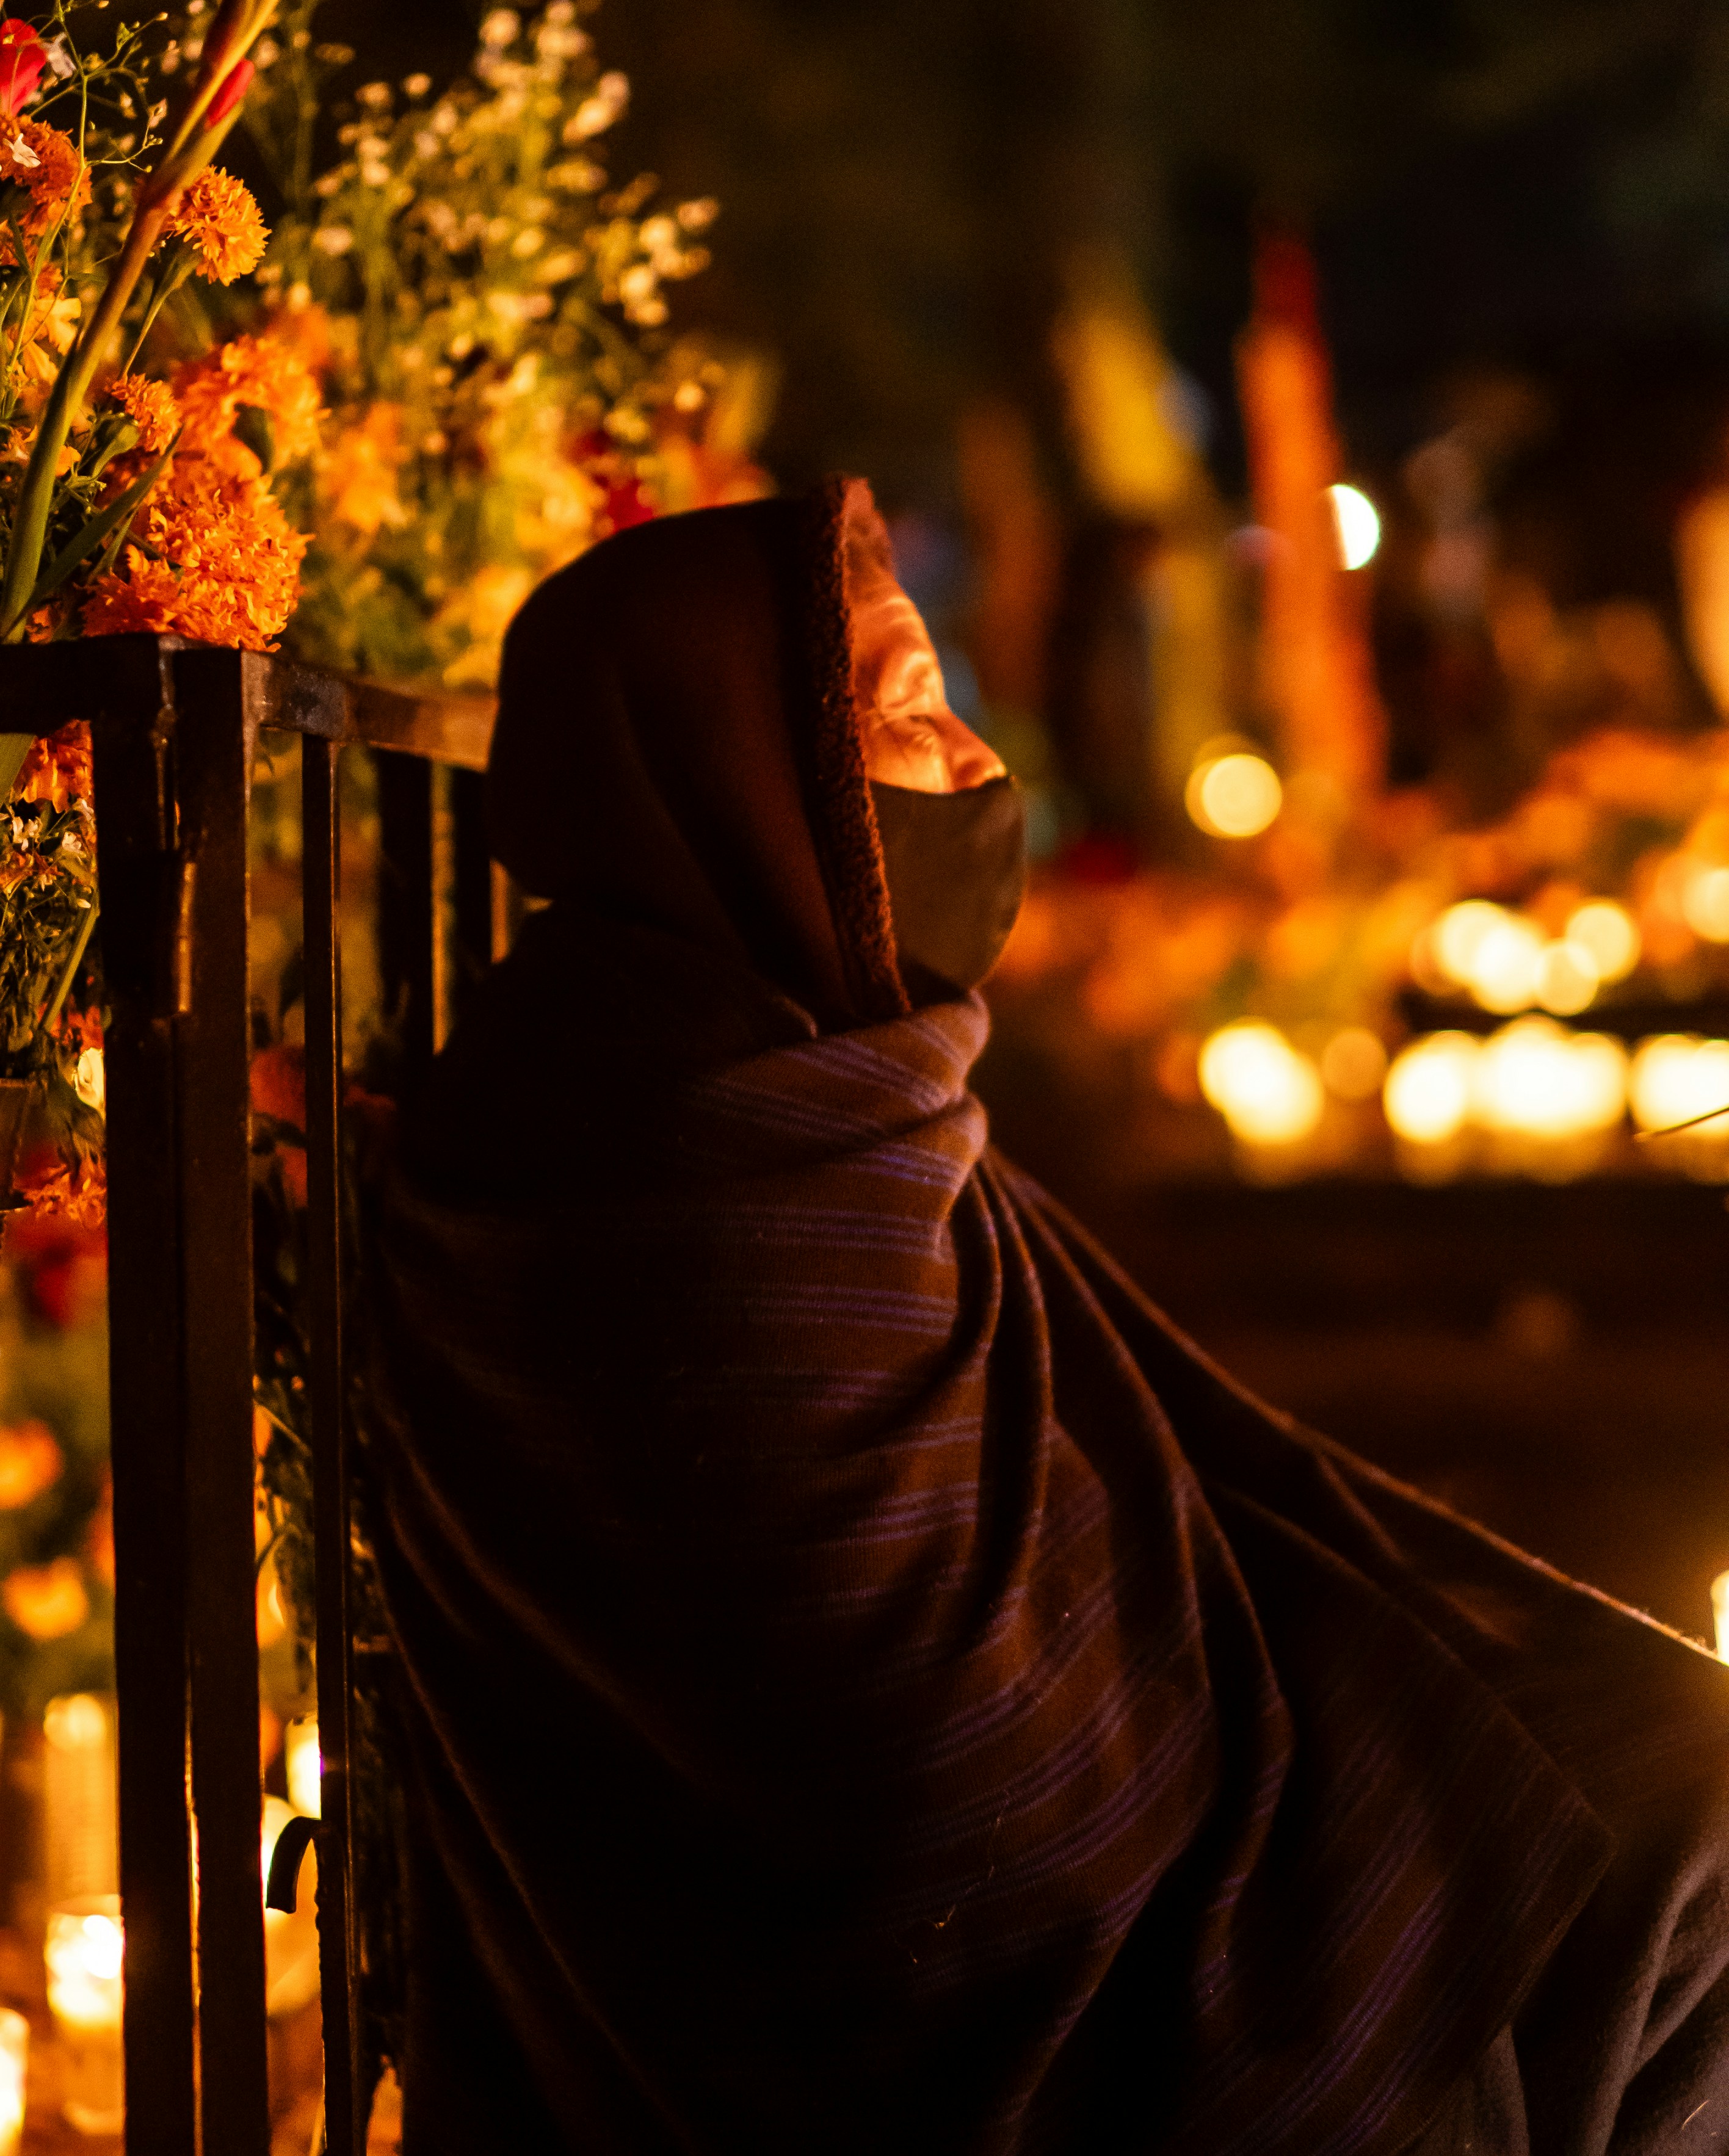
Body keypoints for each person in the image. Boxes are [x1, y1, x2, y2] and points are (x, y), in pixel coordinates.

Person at [373, 476, 1729, 2156]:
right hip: (1034, 2002)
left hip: (1140, 1837)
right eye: (911, 710)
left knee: (1668, 1802)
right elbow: (937, 1816)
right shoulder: (665, 1161)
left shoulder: (818, 1086)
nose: (979, 769)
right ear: (734, 758)